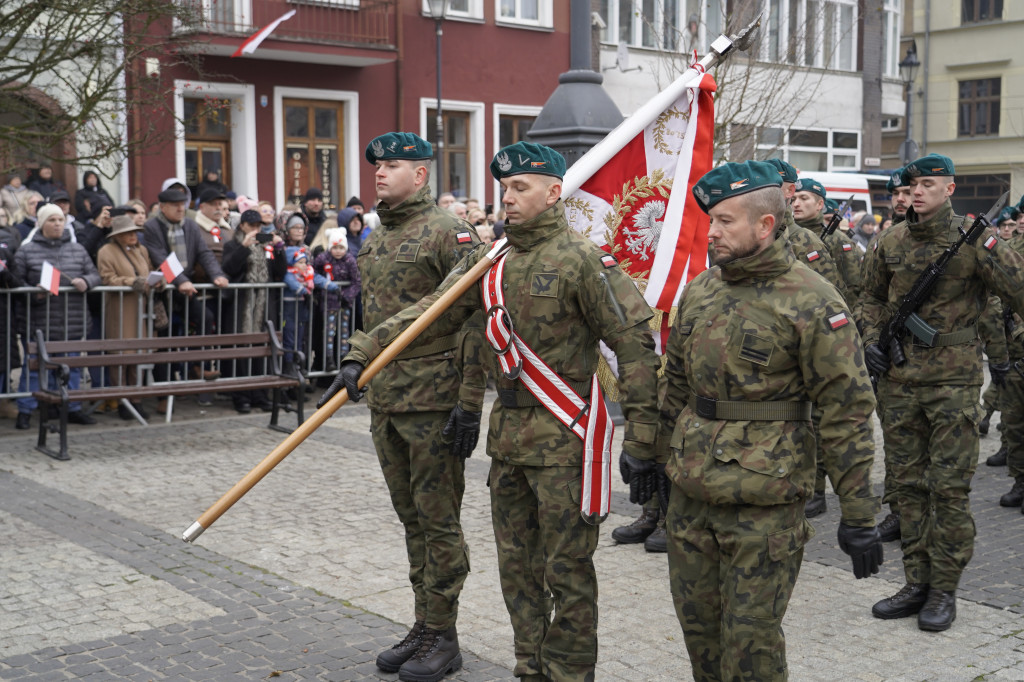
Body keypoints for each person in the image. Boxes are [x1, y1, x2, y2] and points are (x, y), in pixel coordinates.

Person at [323, 140, 661, 682]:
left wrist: (644, 441)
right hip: (508, 441)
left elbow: (636, 345)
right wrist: (363, 351)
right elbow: (428, 313)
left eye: (520, 188)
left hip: (565, 438)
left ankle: (570, 674)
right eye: (504, 188)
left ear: (554, 193)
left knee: (567, 572)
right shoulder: (492, 262)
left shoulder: (582, 260)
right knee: (518, 572)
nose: (508, 198)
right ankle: (529, 668)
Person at [660, 160, 882, 680]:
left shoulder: (812, 299)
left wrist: (859, 513)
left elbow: (846, 411)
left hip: (765, 503)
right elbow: (673, 383)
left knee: (751, 647)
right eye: (710, 220)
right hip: (692, 494)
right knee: (701, 637)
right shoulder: (702, 289)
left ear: (764, 225)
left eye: (725, 221)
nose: (711, 231)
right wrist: (650, 456)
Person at [317, 132, 488, 682]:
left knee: (439, 522)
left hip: (433, 400)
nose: (380, 174)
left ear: (421, 174)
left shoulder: (449, 233)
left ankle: (445, 634)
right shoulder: (377, 237)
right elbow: (374, 315)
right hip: (389, 398)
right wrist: (360, 362)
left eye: (392, 166)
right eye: (377, 166)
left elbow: (458, 314)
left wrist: (467, 403)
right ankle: (424, 622)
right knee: (411, 520)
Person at [861, 154, 1024, 632]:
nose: (917, 192)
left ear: (950, 189)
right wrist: (871, 337)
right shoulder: (889, 240)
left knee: (947, 491)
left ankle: (944, 589)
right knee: (907, 488)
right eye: (912, 185)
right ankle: (916, 581)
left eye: (928, 184)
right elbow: (869, 297)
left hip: (953, 384)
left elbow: (1017, 291)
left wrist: (993, 249)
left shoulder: (975, 241)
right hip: (899, 380)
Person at [12, 203, 102, 430]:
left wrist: (87, 282)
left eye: (60, 220)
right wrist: (35, 293)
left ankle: (70, 408)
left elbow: (94, 274)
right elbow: (16, 283)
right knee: (33, 369)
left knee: (70, 368)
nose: (57, 224)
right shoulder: (27, 250)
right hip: (38, 322)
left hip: (71, 320)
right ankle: (26, 410)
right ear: (42, 224)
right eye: (52, 220)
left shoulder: (77, 249)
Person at [140, 186, 229, 404]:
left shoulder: (190, 225)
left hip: (185, 285)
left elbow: (204, 253)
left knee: (205, 318)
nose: (181, 209)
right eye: (175, 206)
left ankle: (198, 365)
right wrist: (180, 281)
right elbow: (160, 257)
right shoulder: (152, 226)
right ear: (163, 207)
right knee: (166, 336)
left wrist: (217, 275)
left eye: (183, 205)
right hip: (164, 290)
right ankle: (164, 393)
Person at [221, 209, 287, 413]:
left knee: (262, 347)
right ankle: (241, 396)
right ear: (242, 226)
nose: (256, 230)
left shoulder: (266, 245)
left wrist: (278, 249)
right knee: (241, 349)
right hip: (242, 304)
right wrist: (244, 247)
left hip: (264, 303)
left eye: (259, 226)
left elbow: (280, 272)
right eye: (252, 226)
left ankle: (260, 394)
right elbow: (229, 268)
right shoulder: (233, 244)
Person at [96, 215, 161, 420]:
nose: (134, 235)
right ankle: (122, 400)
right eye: (129, 233)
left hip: (141, 309)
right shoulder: (106, 252)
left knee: (139, 354)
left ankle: (136, 400)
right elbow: (108, 279)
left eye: (135, 232)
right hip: (121, 308)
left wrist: (159, 281)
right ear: (118, 235)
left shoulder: (142, 250)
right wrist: (134, 281)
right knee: (122, 355)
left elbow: (149, 272)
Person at [312, 228, 360, 371]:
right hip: (328, 302)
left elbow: (357, 281)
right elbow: (312, 271)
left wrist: (347, 296)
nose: (338, 251)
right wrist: (324, 284)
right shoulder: (323, 258)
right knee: (329, 332)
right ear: (330, 247)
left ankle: (343, 358)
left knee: (344, 332)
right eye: (335, 247)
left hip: (345, 303)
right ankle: (328, 359)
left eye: (341, 248)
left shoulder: (350, 260)